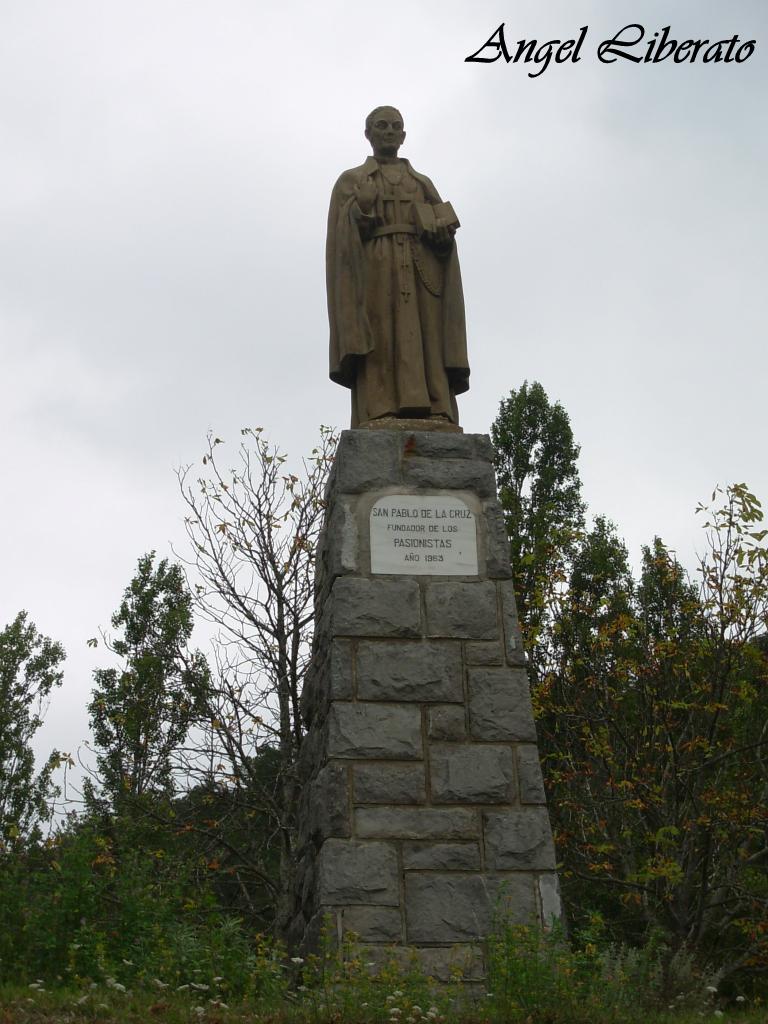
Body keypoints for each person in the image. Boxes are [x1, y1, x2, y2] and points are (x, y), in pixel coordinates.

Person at [326, 106, 470, 428]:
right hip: (375, 271)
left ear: (403, 136)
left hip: (422, 272)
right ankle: (379, 409)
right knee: (380, 335)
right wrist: (360, 207)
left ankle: (435, 407)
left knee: (426, 338)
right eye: (381, 126)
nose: (389, 131)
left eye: (396, 126)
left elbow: (444, 234)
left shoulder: (421, 183)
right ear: (368, 134)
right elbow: (341, 240)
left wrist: (442, 235)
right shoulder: (352, 180)